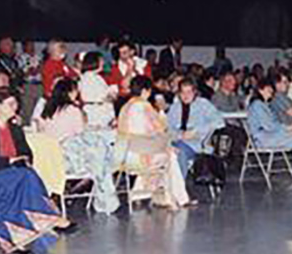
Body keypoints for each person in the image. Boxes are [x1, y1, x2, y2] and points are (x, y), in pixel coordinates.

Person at [0, 87, 70, 254]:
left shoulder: (15, 130)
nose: (15, 108)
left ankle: (16, 236)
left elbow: (27, 154)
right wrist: (9, 160)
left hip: (14, 175)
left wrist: (20, 160)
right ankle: (45, 214)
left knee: (25, 175)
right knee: (26, 176)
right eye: (11, 104)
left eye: (15, 104)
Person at [38, 79, 120, 214]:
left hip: (52, 159)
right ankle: (103, 199)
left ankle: (79, 190)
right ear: (70, 92)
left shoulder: (46, 111)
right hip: (70, 158)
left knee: (98, 156)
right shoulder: (72, 110)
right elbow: (81, 133)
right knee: (101, 154)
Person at [117, 76, 192, 208]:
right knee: (171, 157)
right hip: (144, 155)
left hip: (126, 156)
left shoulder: (125, 107)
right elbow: (160, 132)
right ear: (146, 91)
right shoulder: (146, 107)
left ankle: (140, 194)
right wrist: (168, 146)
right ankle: (179, 198)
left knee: (164, 155)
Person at [246, 78, 292, 189]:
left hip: (270, 135)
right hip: (263, 138)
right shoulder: (258, 105)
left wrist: (286, 128)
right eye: (269, 89)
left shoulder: (263, 104)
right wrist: (287, 128)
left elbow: (274, 124)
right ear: (261, 90)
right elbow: (269, 126)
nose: (271, 91)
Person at [166, 77, 225, 177]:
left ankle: (178, 188)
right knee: (171, 150)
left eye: (189, 92)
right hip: (176, 142)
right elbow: (167, 128)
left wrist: (196, 131)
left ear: (195, 92)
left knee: (179, 152)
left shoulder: (204, 104)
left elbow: (220, 122)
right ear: (179, 93)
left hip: (197, 145)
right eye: (183, 92)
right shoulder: (174, 107)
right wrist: (179, 135)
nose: (186, 95)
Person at [78, 51, 116, 128]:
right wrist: (107, 96)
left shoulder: (98, 77)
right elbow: (88, 97)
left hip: (103, 112)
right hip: (95, 113)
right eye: (101, 60)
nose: (103, 62)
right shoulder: (86, 77)